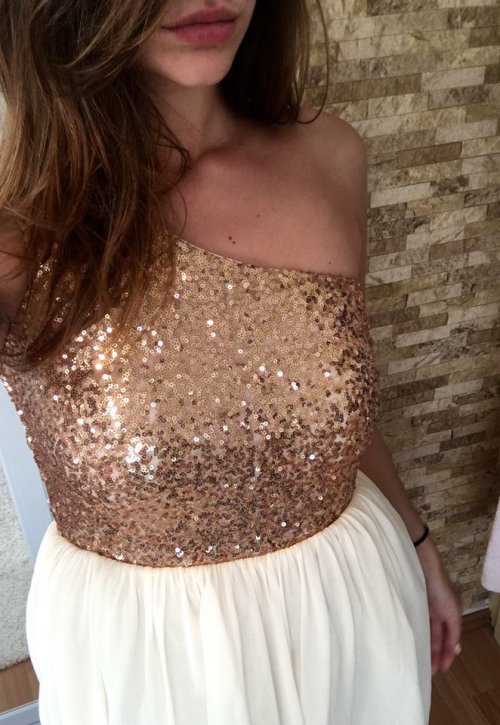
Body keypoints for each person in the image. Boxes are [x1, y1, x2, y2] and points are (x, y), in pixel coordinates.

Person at [0, 1, 463, 723]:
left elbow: (335, 407)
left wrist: (417, 540)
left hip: (354, 604)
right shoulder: (21, 221)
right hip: (154, 660)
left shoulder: (329, 155)